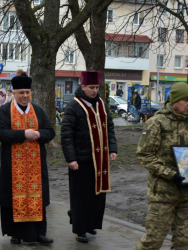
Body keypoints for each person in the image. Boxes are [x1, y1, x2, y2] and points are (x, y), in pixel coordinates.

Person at [134, 82, 188, 250]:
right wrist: (170, 174)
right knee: (153, 240)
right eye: (186, 100)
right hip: (163, 193)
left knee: (184, 242)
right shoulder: (156, 123)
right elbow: (144, 154)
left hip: (187, 194)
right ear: (174, 101)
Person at [0, 76, 56, 245]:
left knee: (37, 198)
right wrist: (23, 134)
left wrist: (39, 134)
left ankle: (39, 233)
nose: (24, 96)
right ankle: (14, 233)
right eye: (21, 92)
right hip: (12, 166)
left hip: (36, 166)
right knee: (13, 198)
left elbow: (50, 131)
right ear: (13, 93)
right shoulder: (5, 111)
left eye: (27, 92)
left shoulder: (38, 110)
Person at [61, 71, 118, 243]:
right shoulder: (74, 106)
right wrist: (71, 159)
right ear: (83, 87)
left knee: (97, 196)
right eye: (91, 87)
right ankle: (80, 230)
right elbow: (66, 135)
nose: (94, 91)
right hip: (81, 160)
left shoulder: (102, 104)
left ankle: (90, 223)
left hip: (100, 160)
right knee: (81, 196)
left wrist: (112, 149)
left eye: (97, 87)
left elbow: (110, 128)